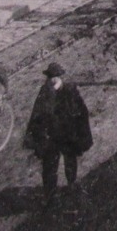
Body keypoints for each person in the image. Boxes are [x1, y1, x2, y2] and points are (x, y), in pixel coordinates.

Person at [24, 62, 93, 206]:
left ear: (61, 77)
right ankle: (50, 195)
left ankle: (71, 184)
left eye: (56, 77)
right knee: (49, 167)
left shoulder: (70, 90)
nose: (53, 80)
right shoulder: (45, 92)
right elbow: (38, 113)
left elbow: (82, 111)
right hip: (51, 137)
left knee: (70, 160)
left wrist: (81, 133)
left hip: (67, 134)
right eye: (51, 77)